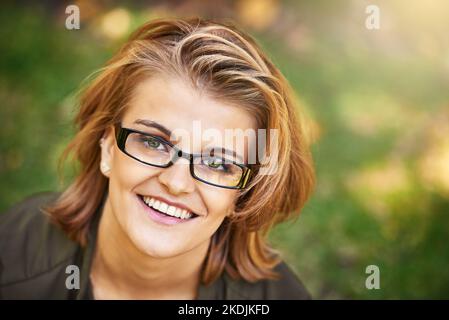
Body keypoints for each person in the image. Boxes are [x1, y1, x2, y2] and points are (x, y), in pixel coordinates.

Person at [0, 17, 315, 299]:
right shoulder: (16, 256)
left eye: (218, 163)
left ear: (242, 193)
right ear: (108, 146)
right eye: (154, 142)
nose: (176, 183)